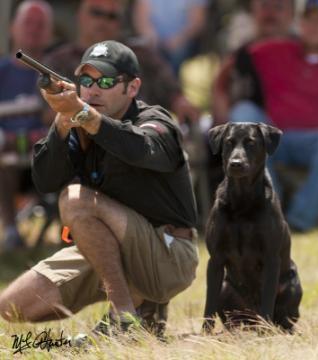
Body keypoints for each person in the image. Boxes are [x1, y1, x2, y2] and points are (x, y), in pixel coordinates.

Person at [0, 40, 199, 341]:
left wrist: (84, 115)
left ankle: (124, 318)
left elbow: (139, 148)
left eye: (106, 81)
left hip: (168, 256)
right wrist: (63, 120)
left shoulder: (156, 121)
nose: (93, 90)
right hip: (111, 250)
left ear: (132, 88)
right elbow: (45, 180)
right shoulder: (78, 122)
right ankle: (142, 309)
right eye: (86, 80)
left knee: (76, 200)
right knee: (9, 307)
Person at [213, 0, 318, 232]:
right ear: (300, 23)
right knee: (243, 112)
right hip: (276, 137)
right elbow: (225, 74)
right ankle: (268, 211)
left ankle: (299, 219)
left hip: (317, 142)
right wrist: (220, 112)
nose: (314, 26)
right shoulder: (274, 48)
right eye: (309, 19)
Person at [43, 0, 199, 124]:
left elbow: (174, 93)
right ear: (79, 15)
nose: (103, 21)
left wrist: (182, 104)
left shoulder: (142, 55)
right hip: (86, 147)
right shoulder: (58, 61)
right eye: (96, 12)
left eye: (112, 16)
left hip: (145, 142)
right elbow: (50, 115)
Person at [0, 0, 53, 250]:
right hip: (6, 163)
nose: (34, 29)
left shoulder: (58, 72)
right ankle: (10, 230)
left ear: (50, 33)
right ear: (12, 28)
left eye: (40, 25)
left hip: (49, 159)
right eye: (28, 23)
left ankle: (69, 231)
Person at [213, 0, 296, 124]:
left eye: (279, 7)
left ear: (292, 14)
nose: (270, 13)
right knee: (243, 112)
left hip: (297, 125)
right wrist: (222, 118)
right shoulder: (242, 53)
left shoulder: (304, 50)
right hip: (254, 126)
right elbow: (220, 85)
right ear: (253, 11)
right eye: (264, 5)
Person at [132, 0, 207, 75]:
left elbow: (196, 23)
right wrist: (153, 40)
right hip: (154, 42)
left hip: (182, 42)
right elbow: (142, 19)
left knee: (176, 56)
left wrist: (177, 41)